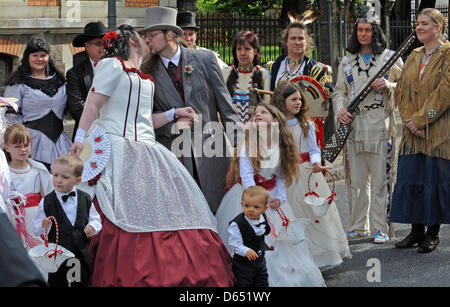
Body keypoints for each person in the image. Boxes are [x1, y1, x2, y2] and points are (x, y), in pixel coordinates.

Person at [70, 24, 235, 286]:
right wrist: (80, 137)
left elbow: (145, 120)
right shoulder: (113, 65)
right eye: (141, 36)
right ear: (132, 42)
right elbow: (93, 105)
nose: (147, 39)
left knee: (170, 208)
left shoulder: (143, 76)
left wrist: (173, 114)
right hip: (117, 147)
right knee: (119, 212)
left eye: (149, 36)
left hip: (147, 149)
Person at [141, 6, 242, 213]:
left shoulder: (205, 60)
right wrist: (172, 126)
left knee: (221, 215)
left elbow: (226, 108)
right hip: (175, 158)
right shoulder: (146, 71)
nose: (148, 40)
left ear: (170, 34)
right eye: (146, 36)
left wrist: (240, 148)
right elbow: (144, 120)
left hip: (212, 156)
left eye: (152, 35)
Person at [216, 102, 325, 286]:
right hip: (250, 197)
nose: (257, 114)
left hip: (272, 195)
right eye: (255, 113)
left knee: (283, 241)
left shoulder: (280, 147)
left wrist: (280, 198)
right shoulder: (248, 146)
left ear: (274, 120)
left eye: (263, 112)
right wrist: (258, 204)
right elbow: (247, 176)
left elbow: (281, 178)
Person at [333, 1, 403, 244]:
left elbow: (406, 89)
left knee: (382, 180)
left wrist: (389, 85)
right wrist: (340, 110)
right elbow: (339, 91)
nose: (363, 34)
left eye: (368, 30)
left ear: (376, 32)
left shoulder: (390, 58)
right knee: (357, 181)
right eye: (360, 30)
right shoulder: (346, 61)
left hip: (381, 124)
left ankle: (381, 227)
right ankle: (357, 225)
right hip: (355, 126)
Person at [270, 81, 351, 270]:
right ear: (282, 102)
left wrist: (316, 161)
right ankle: (298, 258)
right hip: (288, 174)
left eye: (299, 99)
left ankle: (319, 256)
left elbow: (314, 149)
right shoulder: (276, 126)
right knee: (294, 214)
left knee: (314, 214)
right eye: (293, 99)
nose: (298, 103)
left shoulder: (306, 123)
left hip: (308, 175)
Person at [391, 8, 449, 253]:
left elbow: (445, 94)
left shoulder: (448, 54)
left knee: (433, 181)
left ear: (438, 27)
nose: (419, 27)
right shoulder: (414, 54)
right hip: (413, 132)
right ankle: (416, 231)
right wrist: (410, 122)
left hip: (437, 131)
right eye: (417, 23)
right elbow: (401, 90)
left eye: (425, 23)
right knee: (412, 178)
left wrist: (424, 120)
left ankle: (432, 233)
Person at [32, 154, 101, 287]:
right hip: (57, 256)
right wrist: (43, 225)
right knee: (57, 282)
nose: (58, 180)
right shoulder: (46, 201)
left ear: (77, 180)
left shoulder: (85, 198)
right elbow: (36, 229)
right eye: (55, 175)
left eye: (65, 177)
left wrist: (93, 226)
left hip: (79, 253)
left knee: (79, 282)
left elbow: (96, 220)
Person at [4, 37, 71, 171]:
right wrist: (19, 145)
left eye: (43, 55)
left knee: (63, 179)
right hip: (31, 143)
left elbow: (68, 111)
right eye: (35, 55)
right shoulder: (18, 84)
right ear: (27, 58)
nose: (39, 59)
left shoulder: (59, 82)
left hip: (60, 142)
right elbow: (10, 120)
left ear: (48, 57)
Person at [268, 21, 334, 147]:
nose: (297, 42)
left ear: (307, 42)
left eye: (301, 38)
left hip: (305, 132)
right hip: (277, 130)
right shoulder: (273, 68)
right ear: (286, 42)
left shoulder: (318, 70)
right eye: (293, 38)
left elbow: (323, 104)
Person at [3, 124, 53, 250]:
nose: (23, 150)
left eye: (26, 145)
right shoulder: (4, 172)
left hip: (37, 217)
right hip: (15, 218)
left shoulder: (38, 170)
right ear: (7, 148)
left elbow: (51, 192)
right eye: (17, 146)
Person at [66, 21, 107, 141]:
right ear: (87, 46)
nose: (103, 47)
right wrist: (106, 116)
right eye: (98, 43)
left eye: (105, 43)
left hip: (113, 134)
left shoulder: (117, 68)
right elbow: (76, 108)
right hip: (86, 136)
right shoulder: (74, 74)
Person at [221, 30, 271, 123]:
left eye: (247, 49)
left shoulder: (264, 75)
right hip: (229, 128)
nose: (242, 53)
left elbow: (267, 106)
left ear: (255, 51)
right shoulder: (225, 74)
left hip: (256, 128)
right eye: (239, 49)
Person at [228, 186, 271, 287]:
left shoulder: (262, 217)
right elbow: (234, 243)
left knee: (262, 282)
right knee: (243, 283)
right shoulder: (237, 224)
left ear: (264, 209)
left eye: (256, 207)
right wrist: (245, 251)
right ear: (242, 204)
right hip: (243, 265)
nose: (251, 210)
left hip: (260, 261)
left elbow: (263, 231)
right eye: (247, 206)